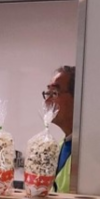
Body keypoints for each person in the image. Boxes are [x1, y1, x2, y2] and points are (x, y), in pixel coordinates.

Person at [43, 64, 75, 192]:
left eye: (54, 93)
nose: (47, 101)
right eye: (47, 93)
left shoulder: (89, 152)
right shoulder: (61, 146)